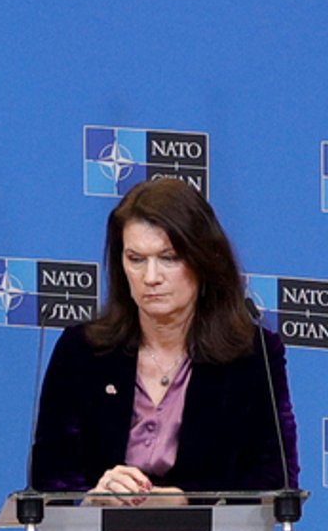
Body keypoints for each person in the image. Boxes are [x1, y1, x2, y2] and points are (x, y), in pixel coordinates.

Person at [29, 176, 299, 496]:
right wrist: (90, 499)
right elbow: (49, 475)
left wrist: (187, 501)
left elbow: (276, 479)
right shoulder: (82, 351)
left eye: (168, 258)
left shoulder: (255, 356)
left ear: (203, 260)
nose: (151, 277)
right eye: (136, 259)